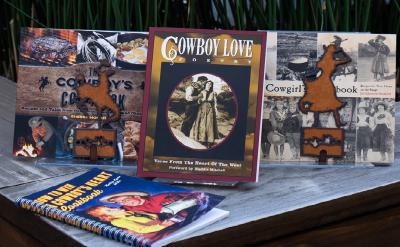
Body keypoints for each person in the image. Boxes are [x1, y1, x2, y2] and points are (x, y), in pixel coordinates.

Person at [86, 206, 176, 235]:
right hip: (160, 228)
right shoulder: (117, 221)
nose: (113, 208)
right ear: (106, 216)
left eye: (109, 207)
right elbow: (141, 229)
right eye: (109, 210)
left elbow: (147, 215)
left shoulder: (126, 212)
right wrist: (162, 226)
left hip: (162, 220)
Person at [190, 80, 219, 148]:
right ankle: (201, 139)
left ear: (211, 85)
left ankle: (209, 140)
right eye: (208, 83)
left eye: (210, 84)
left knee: (209, 124)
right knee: (202, 124)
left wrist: (215, 111)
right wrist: (200, 100)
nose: (209, 85)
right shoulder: (202, 92)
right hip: (202, 109)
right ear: (205, 84)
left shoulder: (213, 93)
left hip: (210, 109)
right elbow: (198, 101)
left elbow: (214, 103)